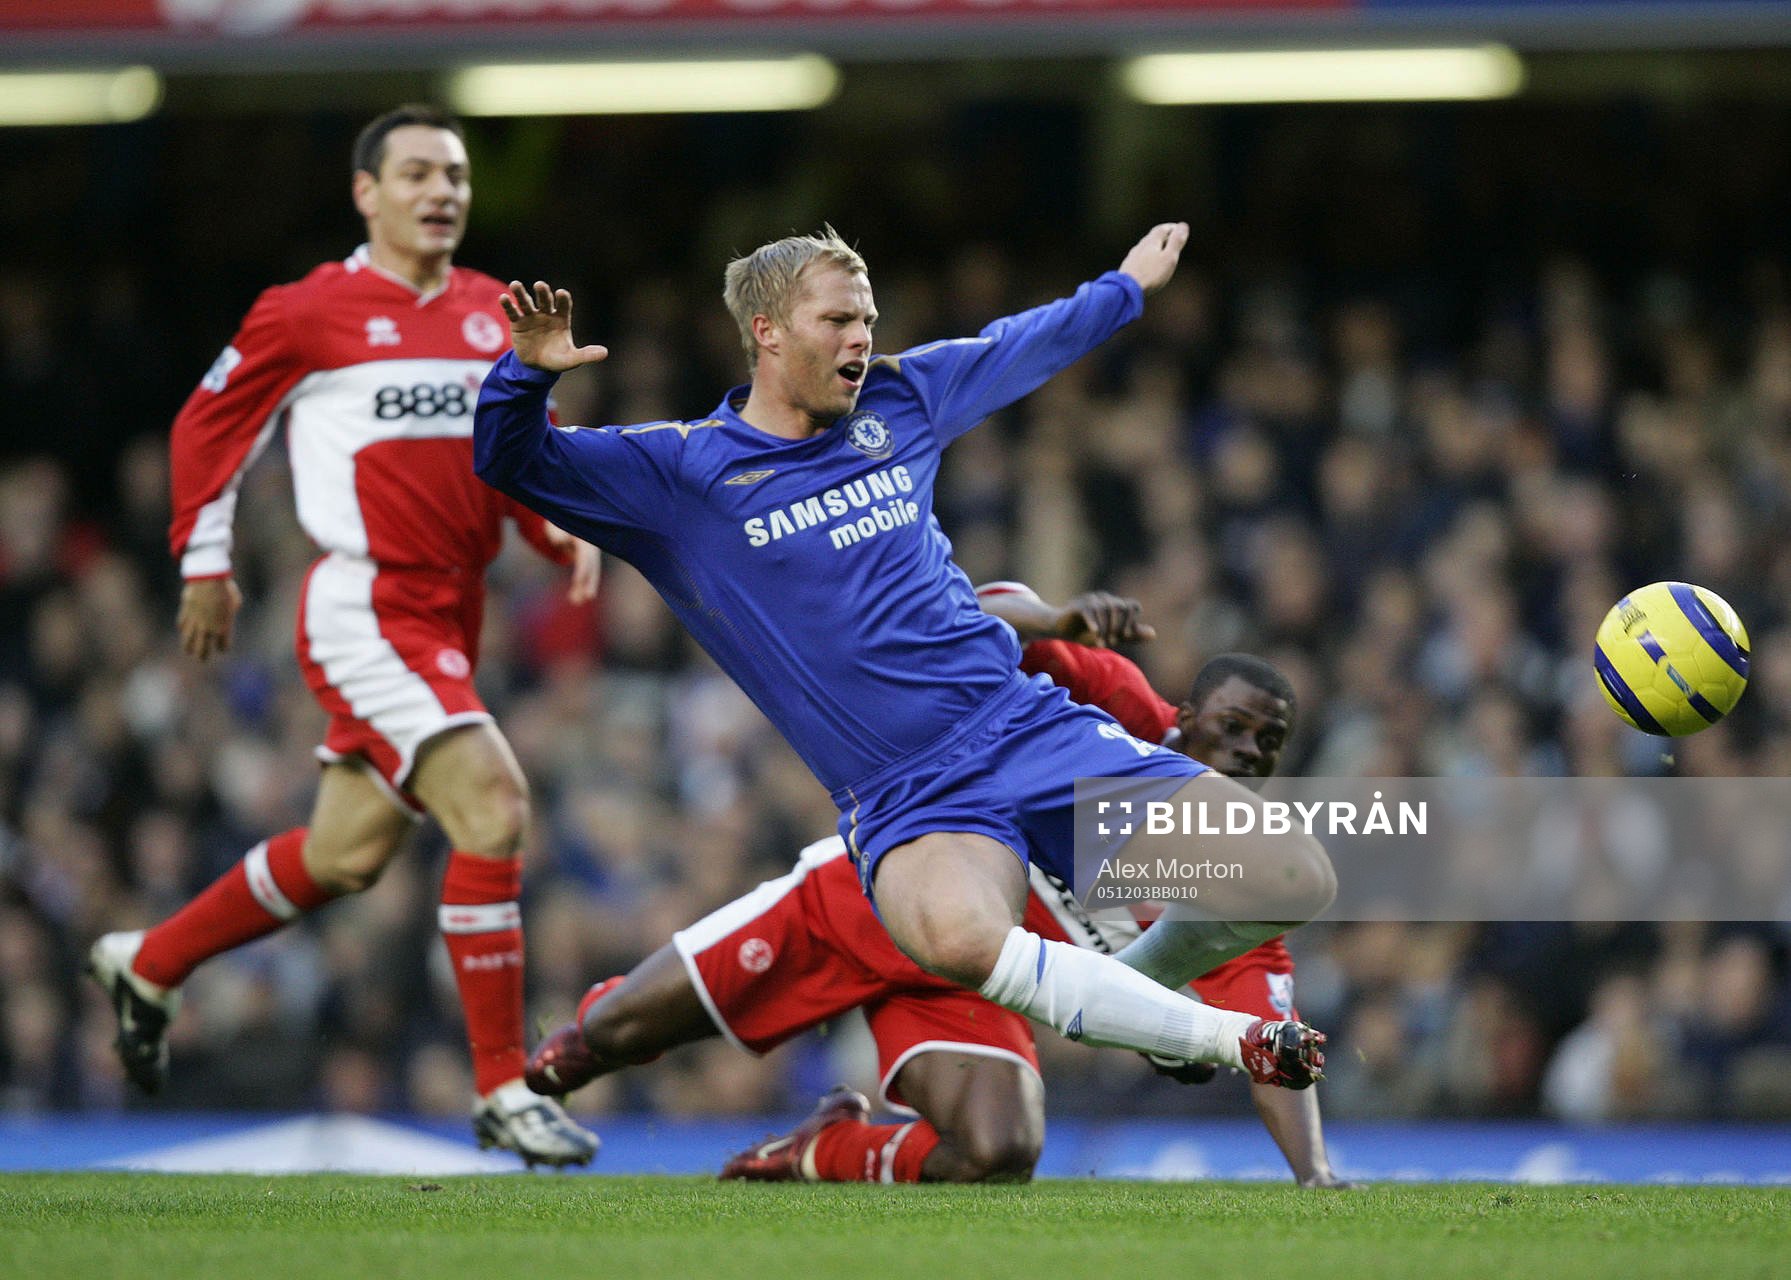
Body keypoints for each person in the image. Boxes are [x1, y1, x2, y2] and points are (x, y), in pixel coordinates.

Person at [474, 227, 1335, 1091]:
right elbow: (510, 459)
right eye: (838, 320)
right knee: (959, 939)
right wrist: (527, 374)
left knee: (1291, 875)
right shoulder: (679, 473)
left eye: (868, 320)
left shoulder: (898, 398)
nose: (861, 338)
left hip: (1024, 725)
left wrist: (1124, 288)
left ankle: (1140, 996)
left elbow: (1018, 346)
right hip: (908, 792)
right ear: (767, 330)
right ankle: (1232, 1040)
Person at [87, 105, 600, 1168]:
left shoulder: (491, 311)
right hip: (366, 603)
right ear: (366, 193)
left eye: (455, 175)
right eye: (416, 173)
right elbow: (208, 424)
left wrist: (556, 529)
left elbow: (512, 451)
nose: (441, 191)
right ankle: (504, 1087)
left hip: (453, 609)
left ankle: (151, 960)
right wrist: (204, 560)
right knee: (495, 804)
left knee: (344, 855)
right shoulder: (308, 310)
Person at [523, 585, 1351, 1186]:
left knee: (999, 1151)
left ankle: (827, 1149)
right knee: (598, 1040)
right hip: (863, 900)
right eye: (1232, 726)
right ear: (1185, 715)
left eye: (1267, 742)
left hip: (974, 976)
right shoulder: (1118, 711)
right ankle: (554, 1057)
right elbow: (970, 615)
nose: (1245, 751)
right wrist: (1052, 617)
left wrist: (1312, 1173)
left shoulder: (1232, 886)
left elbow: (1271, 1032)